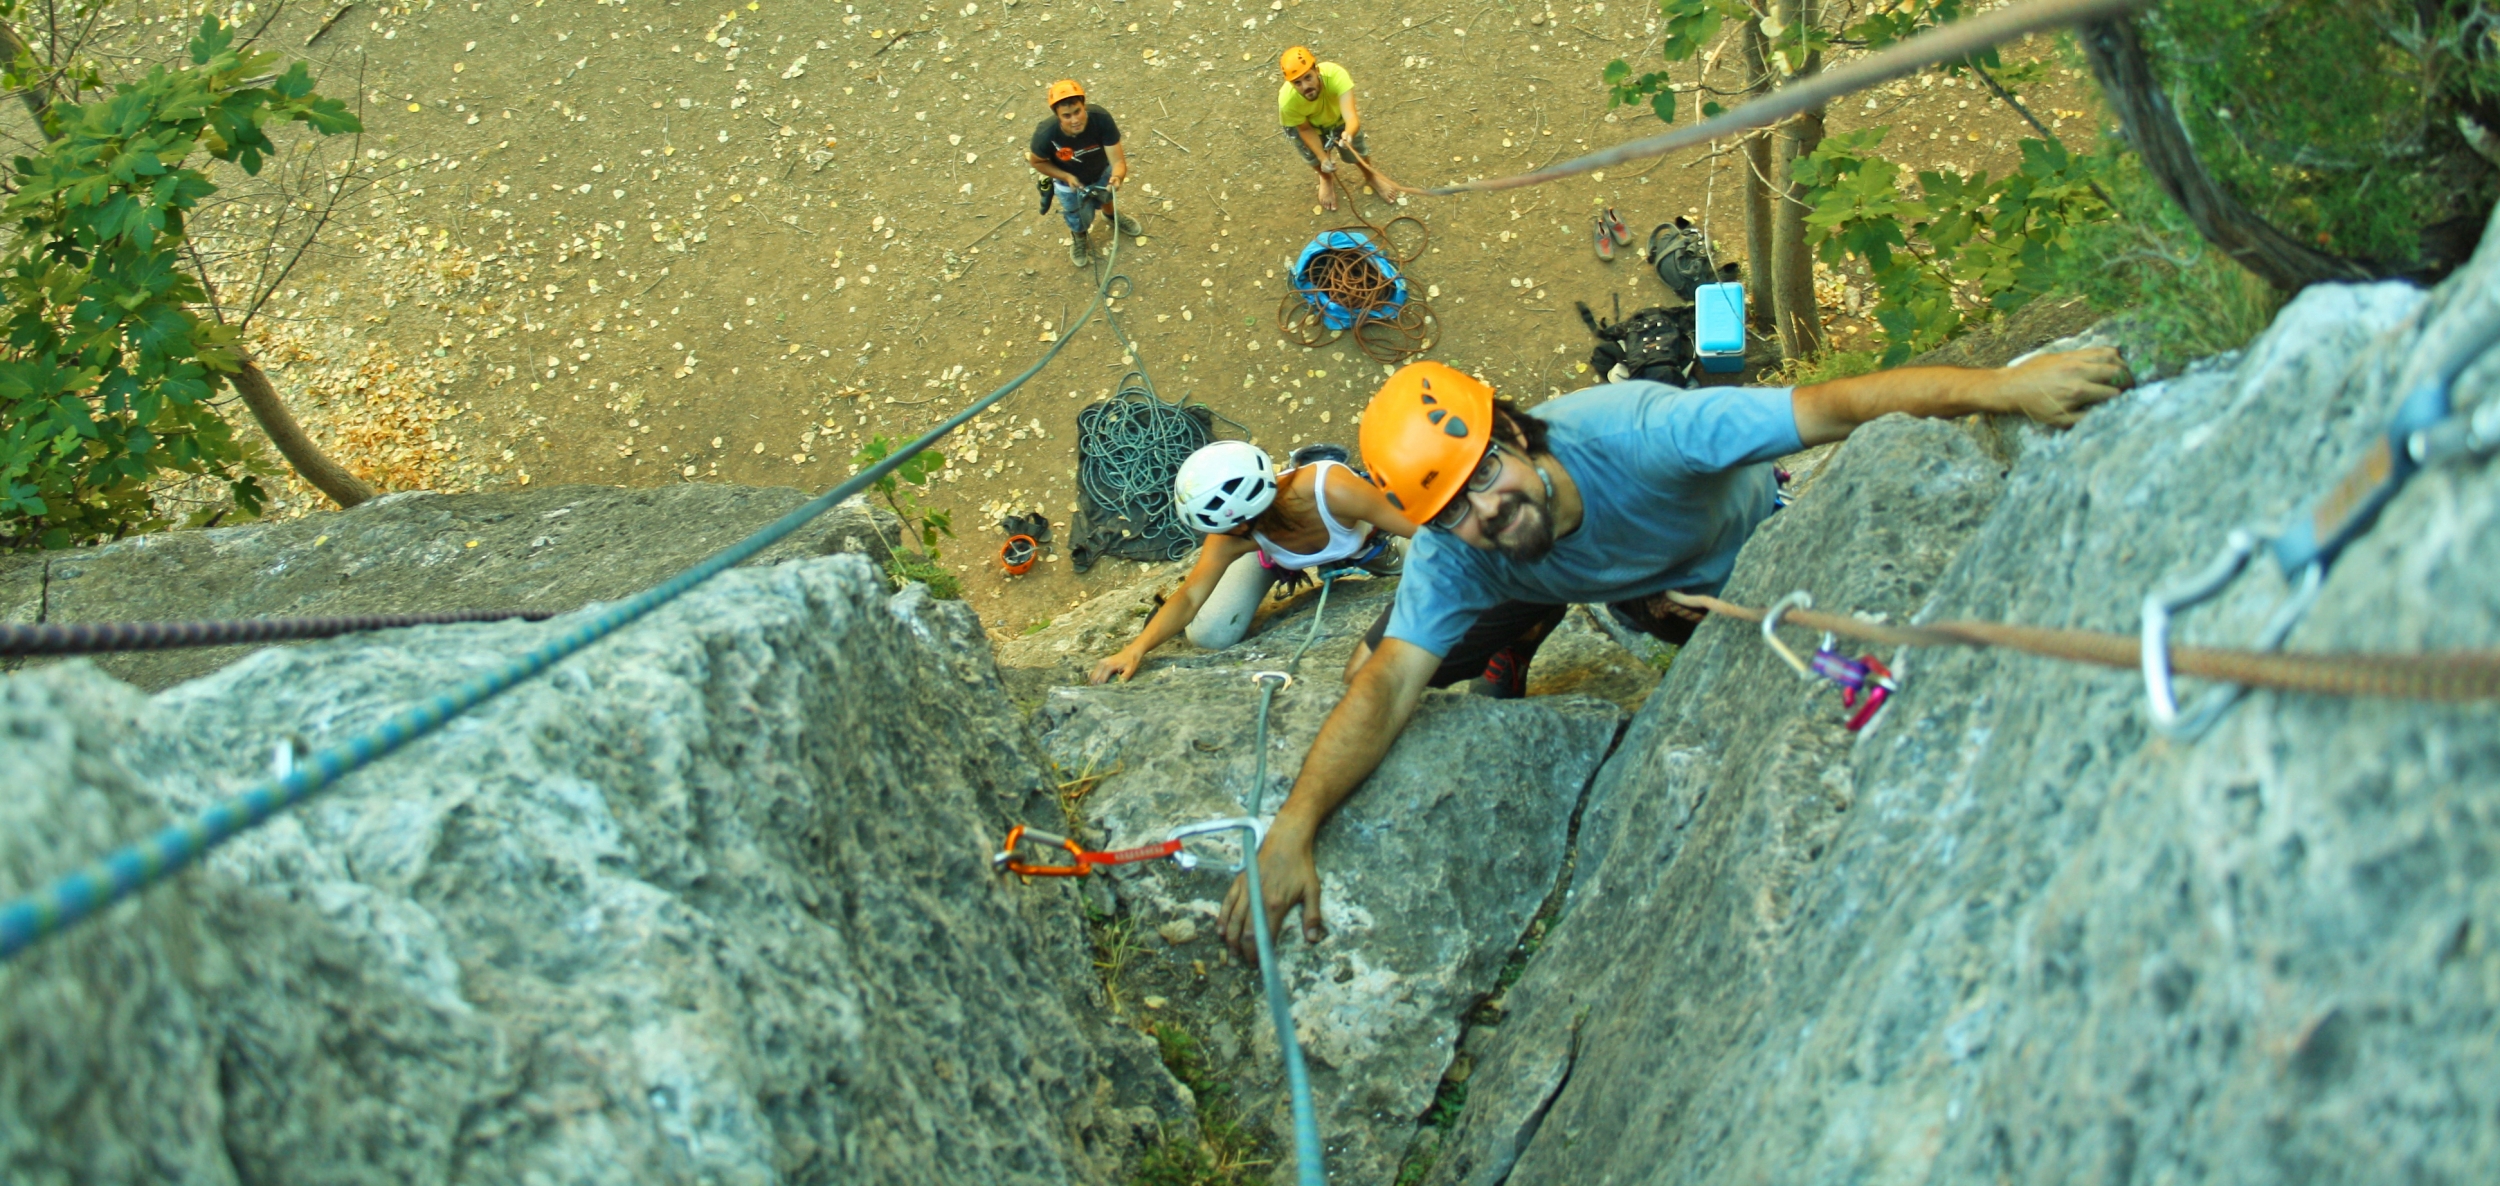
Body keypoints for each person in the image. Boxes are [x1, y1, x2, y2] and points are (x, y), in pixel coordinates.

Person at [1215, 351, 2137, 963]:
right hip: (1562, 581)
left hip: (1715, 574)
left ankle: (1579, 610)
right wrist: (1293, 827)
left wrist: (2005, 387)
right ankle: (1531, 626)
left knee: (1764, 665)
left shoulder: (1646, 435)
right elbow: (1386, 685)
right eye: (1452, 507)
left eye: (1485, 476)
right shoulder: (1465, 547)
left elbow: (1831, 406)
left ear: (1516, 434)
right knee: (1381, 658)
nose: (1482, 511)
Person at [1092, 442, 1413, 684]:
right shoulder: (1235, 539)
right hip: (1273, 558)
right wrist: (1136, 648)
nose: (1216, 536)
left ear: (1243, 521)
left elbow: (1422, 529)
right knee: (1210, 636)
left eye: (1220, 528)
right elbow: (1190, 596)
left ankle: (1373, 554)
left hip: (1367, 542)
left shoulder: (1332, 491)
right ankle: (1269, 566)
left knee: (1428, 562)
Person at [1276, 46, 1407, 211]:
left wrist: (1349, 134)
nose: (1305, 86)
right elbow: (1305, 130)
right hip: (1308, 126)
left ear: (1316, 70)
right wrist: (1323, 158)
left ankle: (1370, 175)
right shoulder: (1287, 101)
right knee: (1313, 158)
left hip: (1338, 118)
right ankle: (1325, 178)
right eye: (1297, 83)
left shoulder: (1336, 76)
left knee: (1356, 150)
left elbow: (1351, 117)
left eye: (1308, 77)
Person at [1028, 79, 1140, 267]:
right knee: (1076, 216)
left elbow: (1118, 161)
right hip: (1068, 185)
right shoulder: (1046, 134)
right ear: (1057, 115)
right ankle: (1079, 237)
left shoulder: (1101, 119)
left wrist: (1117, 176)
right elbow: (1037, 162)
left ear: (1084, 105)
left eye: (1078, 111)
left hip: (1101, 171)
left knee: (1106, 196)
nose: (1075, 120)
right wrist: (1066, 177)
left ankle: (1111, 216)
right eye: (1067, 116)